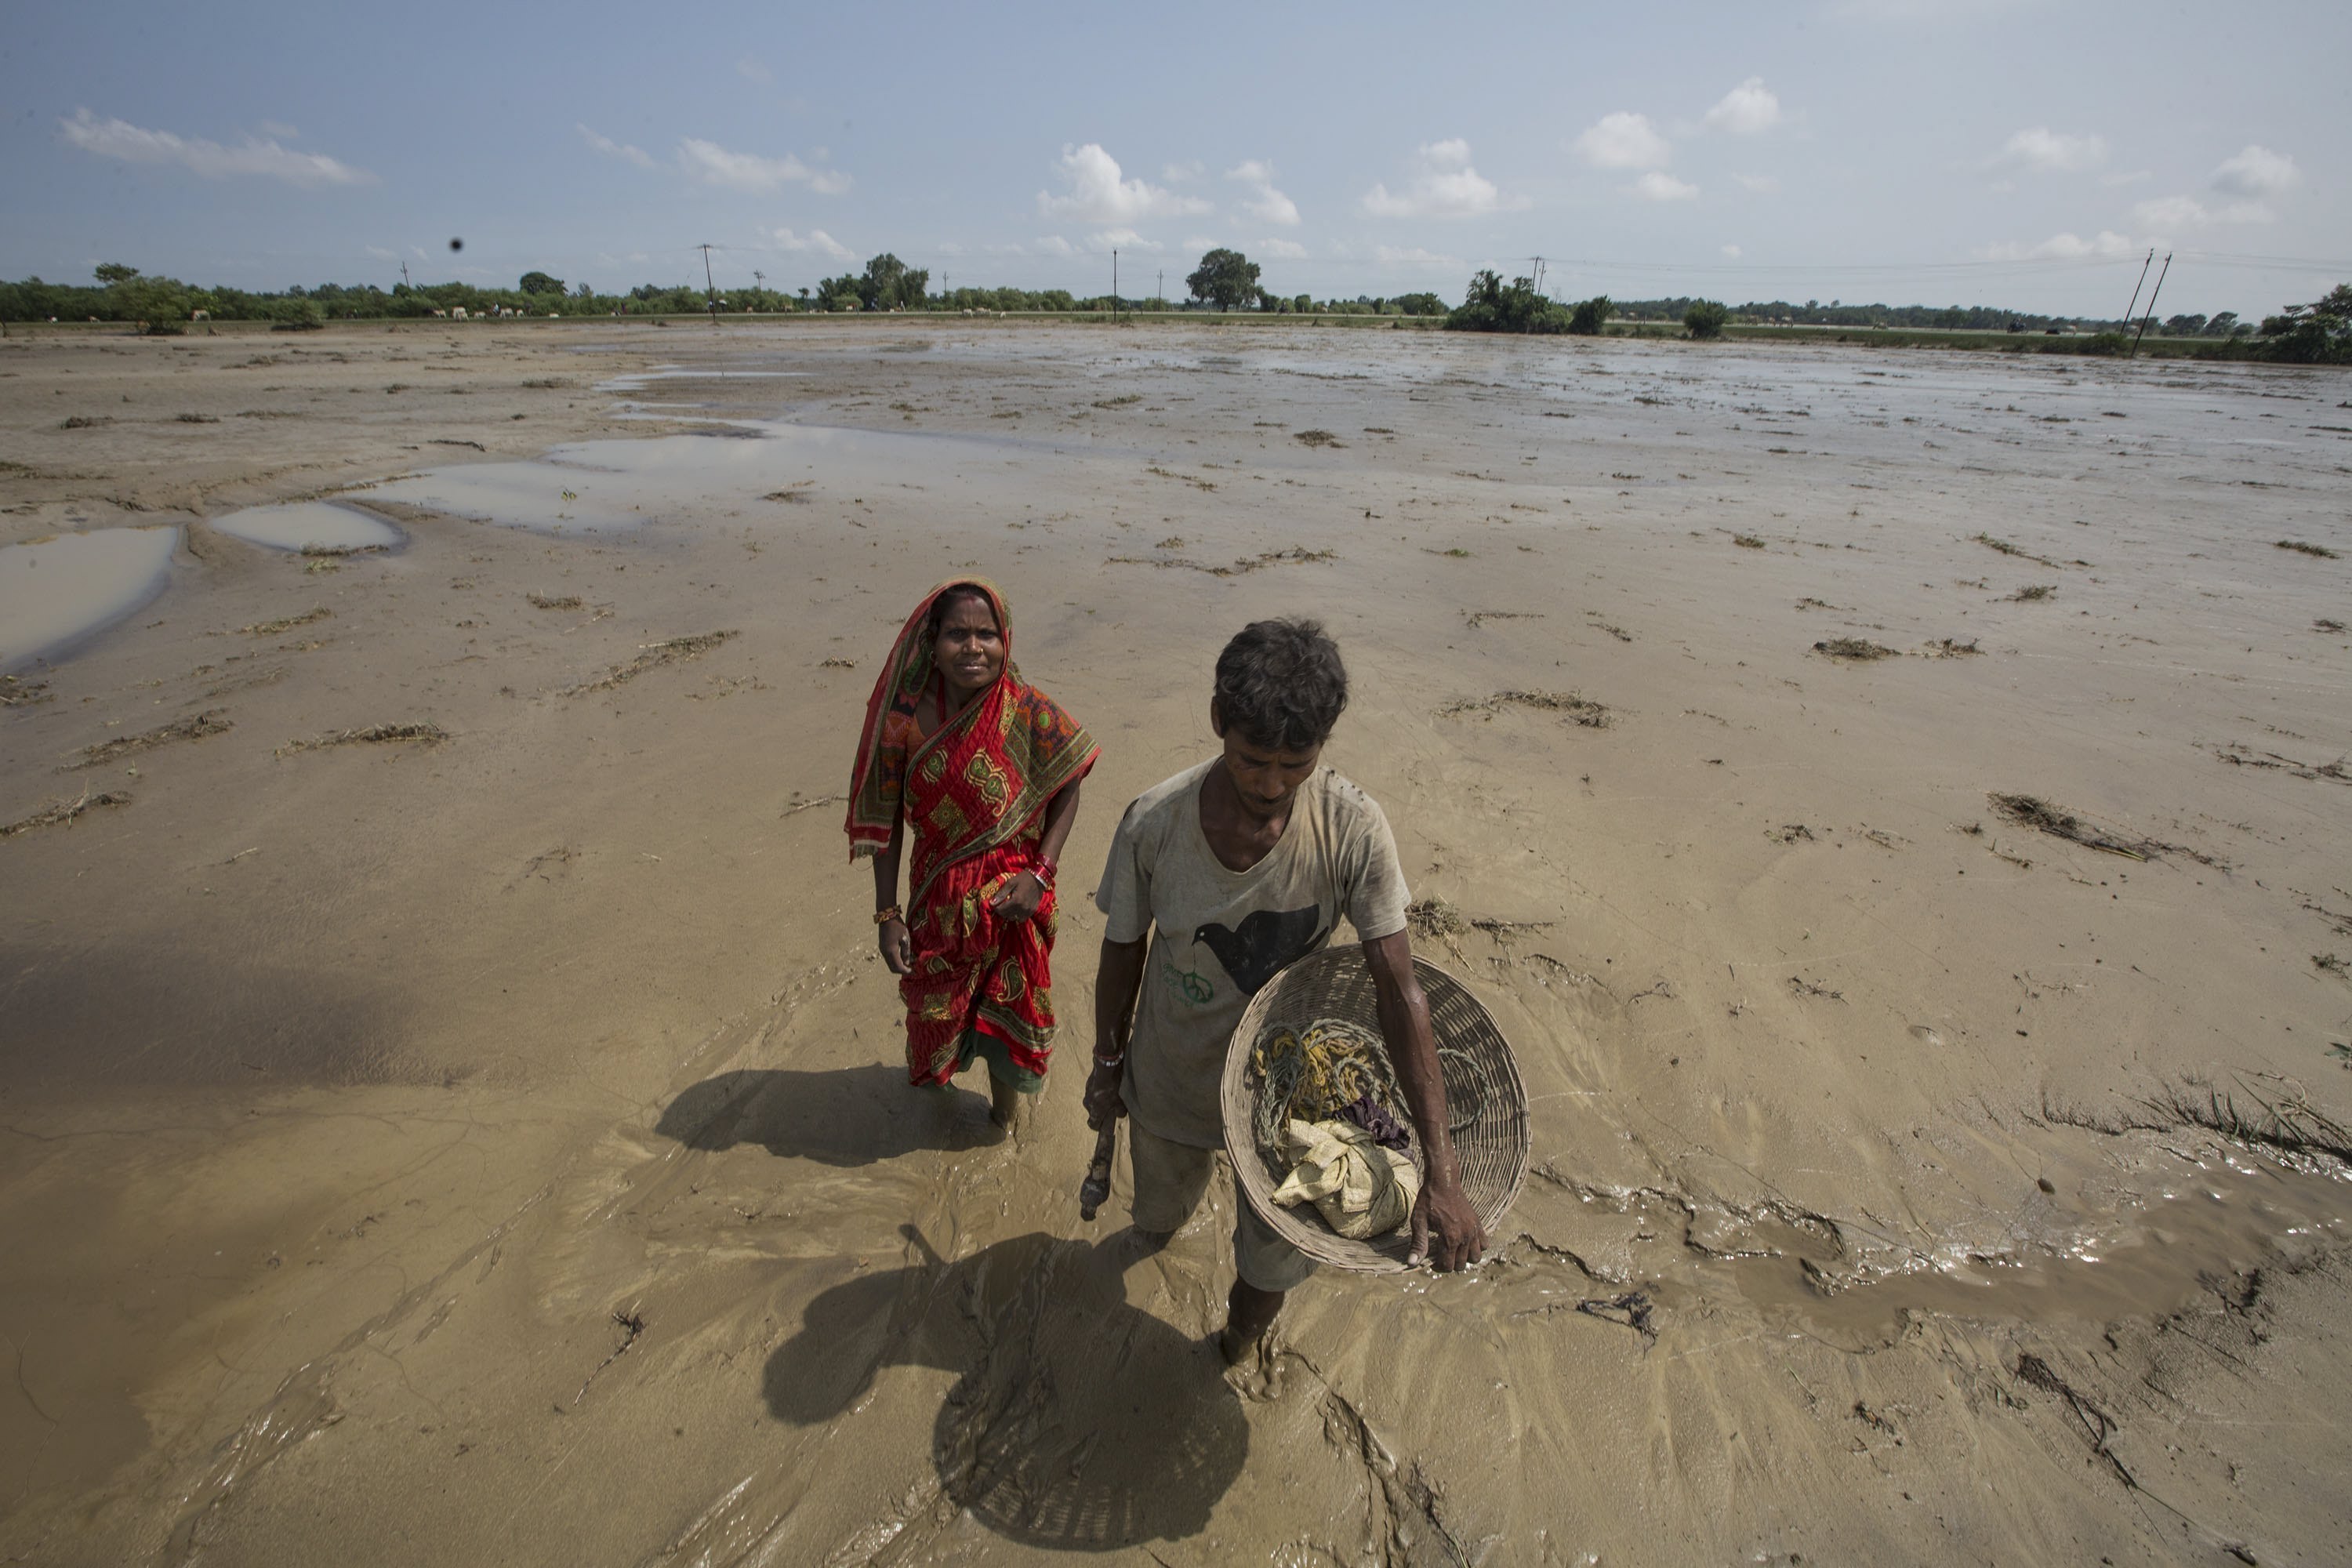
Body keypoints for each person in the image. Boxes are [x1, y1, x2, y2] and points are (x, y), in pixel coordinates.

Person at [1085, 617, 1486, 1363]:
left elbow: (1400, 993)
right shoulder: (1153, 823)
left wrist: (1443, 1169)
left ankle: (1232, 1347)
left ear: (1323, 745)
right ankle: (1160, 1235)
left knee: (1268, 1268)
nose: (1271, 786)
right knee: (1159, 1211)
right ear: (1217, 723)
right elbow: (1121, 953)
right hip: (1172, 1072)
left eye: (1294, 764)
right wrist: (1106, 1067)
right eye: (1251, 761)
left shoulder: (1354, 828)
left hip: (1288, 1100)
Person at [845, 579, 1098, 1133]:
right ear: (932, 642)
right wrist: (888, 915)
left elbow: (1069, 780)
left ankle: (1002, 1123)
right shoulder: (903, 722)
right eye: (957, 633)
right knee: (934, 1014)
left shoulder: (1025, 709)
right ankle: (938, 1116)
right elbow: (884, 819)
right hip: (937, 898)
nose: (973, 647)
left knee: (1008, 1023)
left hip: (1015, 901)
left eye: (987, 634)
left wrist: (1041, 873)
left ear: (1006, 641)